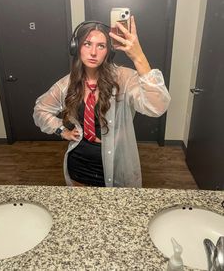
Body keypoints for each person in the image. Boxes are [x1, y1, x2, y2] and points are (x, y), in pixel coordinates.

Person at [33, 16, 171, 187]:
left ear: (109, 51)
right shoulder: (67, 84)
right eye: (87, 44)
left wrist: (138, 57)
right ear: (76, 47)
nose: (93, 52)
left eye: (101, 46)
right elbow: (40, 110)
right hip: (80, 165)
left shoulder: (124, 78)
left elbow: (157, 106)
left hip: (118, 164)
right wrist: (62, 130)